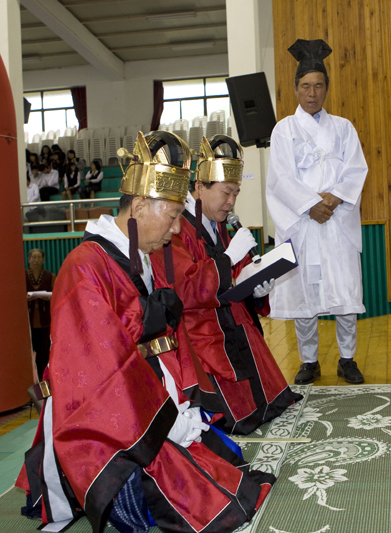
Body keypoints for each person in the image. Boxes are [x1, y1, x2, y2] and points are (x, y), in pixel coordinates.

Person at [17, 131, 274, 533]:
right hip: (98, 418)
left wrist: (182, 398)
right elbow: (100, 369)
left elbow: (159, 344)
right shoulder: (84, 268)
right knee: (191, 499)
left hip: (141, 399)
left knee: (226, 462)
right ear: (138, 206)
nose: (175, 230)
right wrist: (164, 417)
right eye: (172, 217)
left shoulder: (140, 257)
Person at [151, 134, 302, 435]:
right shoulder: (176, 228)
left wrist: (257, 289)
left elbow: (242, 275)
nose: (231, 201)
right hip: (199, 323)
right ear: (199, 188)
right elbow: (185, 287)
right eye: (225, 192)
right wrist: (228, 259)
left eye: (236, 193)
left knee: (244, 326)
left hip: (229, 314)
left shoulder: (223, 225)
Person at [266, 38, 368, 385]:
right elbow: (280, 177)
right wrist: (311, 205)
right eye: (306, 86)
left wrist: (333, 200)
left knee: (345, 292)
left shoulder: (343, 127)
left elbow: (356, 170)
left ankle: (347, 358)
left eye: (318, 86)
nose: (312, 93)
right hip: (305, 222)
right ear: (296, 89)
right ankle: (309, 360)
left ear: (326, 89)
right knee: (306, 292)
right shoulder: (284, 130)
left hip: (336, 220)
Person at [25, 248, 54, 380]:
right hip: (27, 323)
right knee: (26, 357)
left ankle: (43, 388)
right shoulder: (22, 276)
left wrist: (49, 297)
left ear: (43, 260)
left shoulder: (50, 276)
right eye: (33, 257)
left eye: (38, 258)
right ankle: (29, 387)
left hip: (45, 322)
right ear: (28, 260)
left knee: (43, 357)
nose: (36, 260)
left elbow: (58, 294)